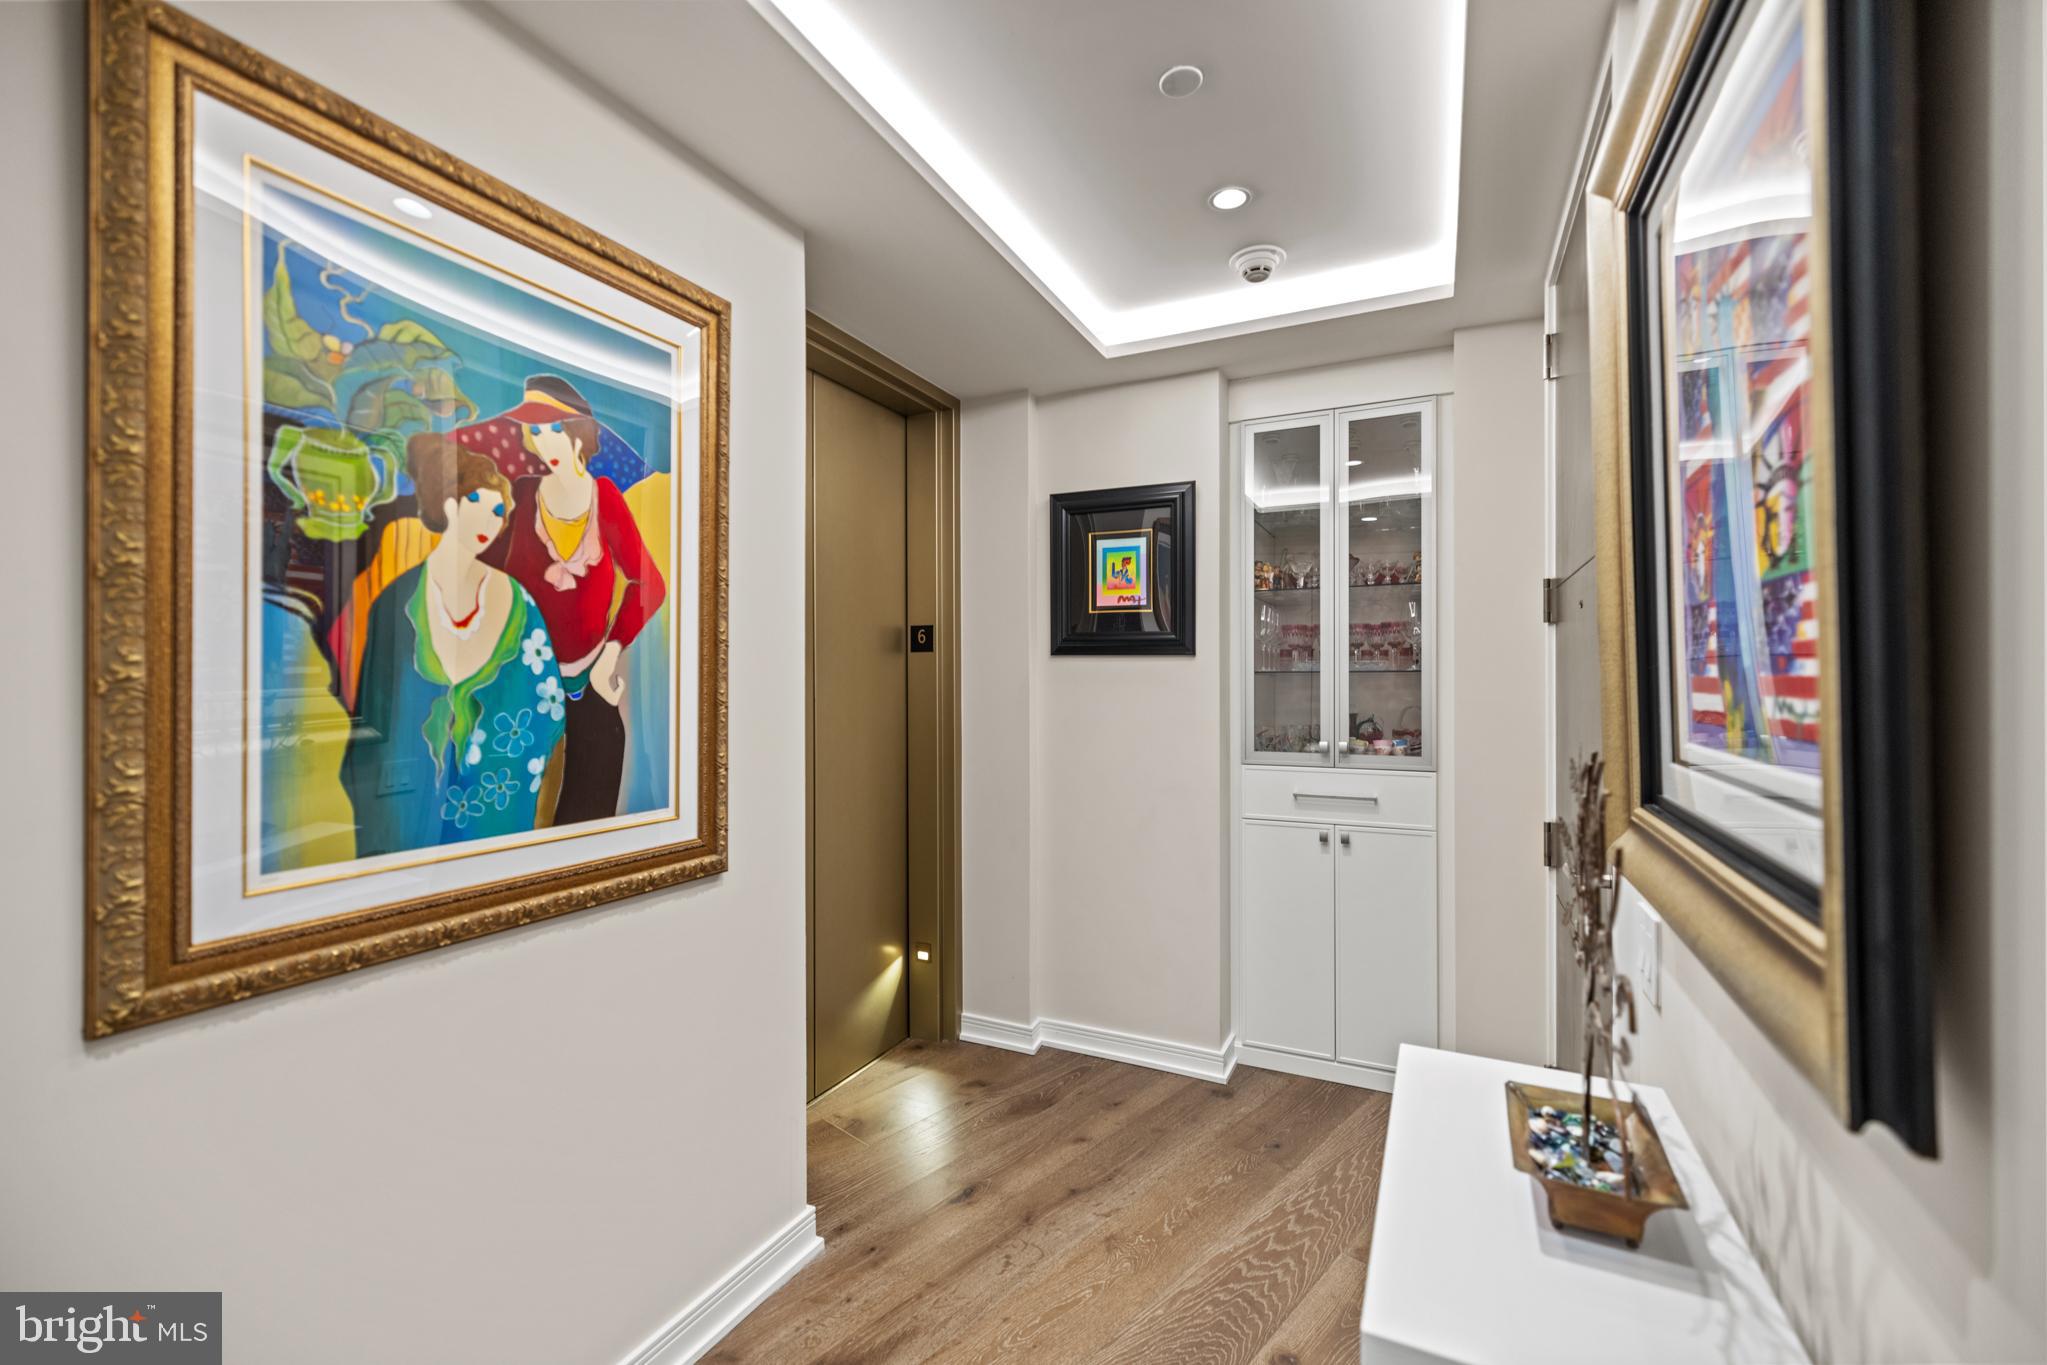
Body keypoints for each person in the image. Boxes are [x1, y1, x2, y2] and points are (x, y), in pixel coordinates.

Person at [341, 434, 567, 859]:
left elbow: (548, 718)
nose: (493, 521)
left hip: (501, 822)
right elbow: (372, 724)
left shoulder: (520, 603)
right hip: (408, 827)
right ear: (450, 506)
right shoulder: (398, 601)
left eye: (500, 512)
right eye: (482, 506)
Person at [480, 376, 665, 825]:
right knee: (514, 823)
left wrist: (611, 653)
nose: (548, 442)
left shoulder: (606, 498)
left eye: (557, 428)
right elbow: (485, 572)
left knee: (585, 824)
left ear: (579, 430)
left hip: (590, 686)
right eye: (538, 431)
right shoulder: (521, 495)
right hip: (519, 689)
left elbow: (650, 585)